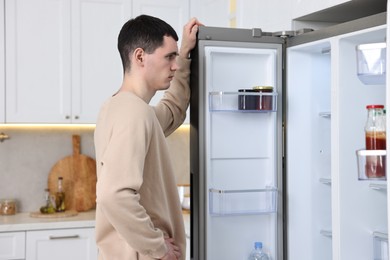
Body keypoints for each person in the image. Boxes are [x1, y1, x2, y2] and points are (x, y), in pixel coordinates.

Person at [94, 15, 201, 260]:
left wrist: (184, 53)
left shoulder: (118, 107)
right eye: (169, 57)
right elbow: (114, 194)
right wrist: (158, 247)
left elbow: (172, 111)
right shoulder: (134, 113)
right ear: (140, 56)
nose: (174, 65)